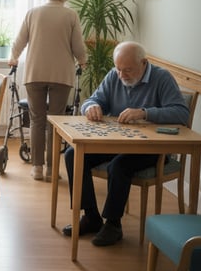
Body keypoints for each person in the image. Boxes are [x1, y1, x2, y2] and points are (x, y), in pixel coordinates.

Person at [63, 41, 189, 246]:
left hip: (152, 149)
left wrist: (145, 112)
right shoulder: (115, 75)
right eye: (119, 69)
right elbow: (92, 100)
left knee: (119, 165)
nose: (122, 75)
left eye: (128, 70)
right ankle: (91, 217)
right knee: (72, 154)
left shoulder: (162, 77)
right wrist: (91, 107)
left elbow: (182, 113)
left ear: (144, 63)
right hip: (118, 142)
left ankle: (113, 224)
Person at [9, 0, 87, 181]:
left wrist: (13, 57)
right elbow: (78, 46)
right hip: (61, 74)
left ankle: (36, 167)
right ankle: (52, 170)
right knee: (56, 120)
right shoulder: (70, 15)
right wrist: (83, 60)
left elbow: (20, 41)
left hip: (35, 73)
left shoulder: (33, 13)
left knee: (37, 119)